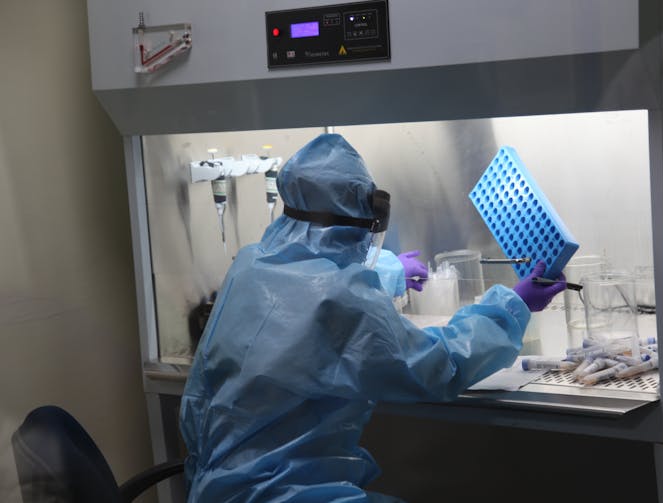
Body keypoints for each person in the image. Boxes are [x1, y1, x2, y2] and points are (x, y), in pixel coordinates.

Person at [179, 133, 565, 502]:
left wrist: (390, 270)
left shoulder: (248, 265)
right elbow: (438, 365)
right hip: (290, 493)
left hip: (214, 489)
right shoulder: (344, 299)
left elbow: (304, 280)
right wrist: (511, 307)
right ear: (365, 222)